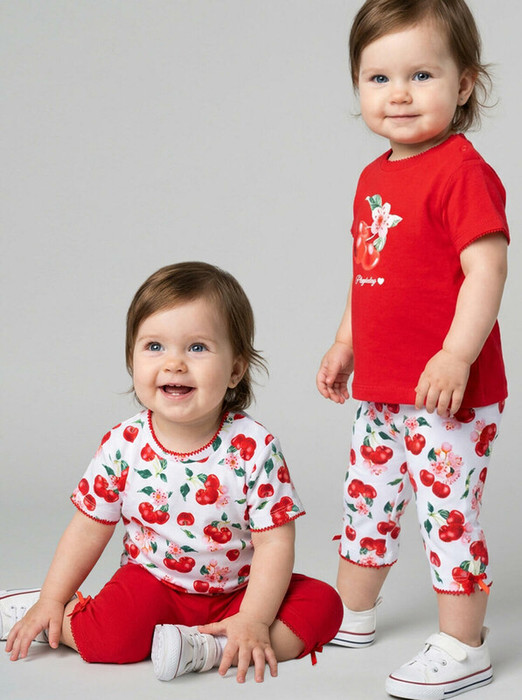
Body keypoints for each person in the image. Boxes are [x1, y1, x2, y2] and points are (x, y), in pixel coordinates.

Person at [2, 261, 342, 683]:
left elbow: (274, 543)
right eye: (154, 346)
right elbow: (89, 529)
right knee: (110, 639)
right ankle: (47, 614)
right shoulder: (124, 445)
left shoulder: (254, 447)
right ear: (132, 360)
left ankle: (209, 648)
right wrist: (53, 597)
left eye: (197, 347)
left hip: (240, 594)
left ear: (235, 370)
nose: (175, 363)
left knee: (325, 606)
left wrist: (254, 618)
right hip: (152, 584)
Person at [316, 1, 509, 698]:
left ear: (464, 83)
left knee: (446, 514)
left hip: (447, 394)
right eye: (378, 78)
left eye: (421, 75)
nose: (397, 94)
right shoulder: (373, 178)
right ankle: (352, 613)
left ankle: (464, 644)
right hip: (382, 387)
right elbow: (367, 269)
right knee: (367, 499)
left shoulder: (462, 172)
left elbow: (488, 270)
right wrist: (345, 341)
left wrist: (456, 355)